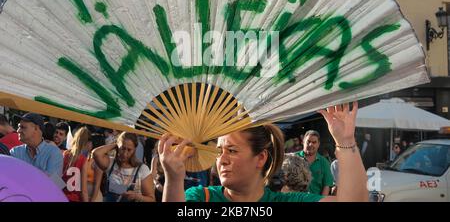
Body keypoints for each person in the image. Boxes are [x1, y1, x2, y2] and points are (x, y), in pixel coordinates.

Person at [159, 102, 368, 202]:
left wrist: (345, 140)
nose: (221, 160)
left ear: (260, 158)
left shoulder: (285, 201)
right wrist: (174, 179)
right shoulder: (200, 197)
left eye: (231, 150)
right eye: (219, 151)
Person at [93, 132, 155, 202]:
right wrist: (116, 144)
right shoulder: (111, 163)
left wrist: (137, 196)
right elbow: (96, 154)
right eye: (122, 148)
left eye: (129, 150)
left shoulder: (142, 169)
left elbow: (151, 199)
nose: (125, 153)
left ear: (135, 149)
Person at [295, 130, 334, 195]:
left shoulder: (324, 162)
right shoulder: (293, 158)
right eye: (308, 141)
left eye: (314, 142)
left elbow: (326, 186)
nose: (311, 144)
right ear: (303, 142)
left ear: (318, 144)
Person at [62, 127, 92, 202]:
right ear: (87, 143)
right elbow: (84, 190)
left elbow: (58, 176)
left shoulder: (65, 154)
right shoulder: (83, 160)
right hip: (74, 198)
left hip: (61, 195)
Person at [86, 133, 105, 202]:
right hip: (85, 194)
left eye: (89, 141)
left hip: (94, 197)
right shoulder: (88, 157)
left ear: (95, 143)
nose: (87, 143)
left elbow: (97, 184)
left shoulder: (98, 161)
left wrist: (92, 200)